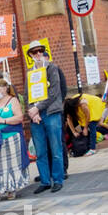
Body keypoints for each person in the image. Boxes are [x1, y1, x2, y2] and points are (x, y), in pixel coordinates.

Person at [24, 43, 69, 193]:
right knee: (40, 150)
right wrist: (32, 111)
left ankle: (58, 179)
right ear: (30, 55)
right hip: (36, 116)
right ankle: (44, 180)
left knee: (56, 148)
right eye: (34, 52)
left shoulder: (51, 68)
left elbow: (55, 92)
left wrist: (38, 108)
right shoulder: (30, 72)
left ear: (44, 53)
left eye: (40, 51)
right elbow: (27, 95)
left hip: (51, 112)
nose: (38, 54)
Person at [0, 78, 29, 203]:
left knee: (11, 165)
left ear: (5, 88)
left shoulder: (12, 100)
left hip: (11, 136)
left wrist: (4, 121)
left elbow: (19, 117)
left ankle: (11, 189)